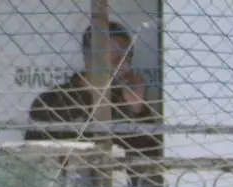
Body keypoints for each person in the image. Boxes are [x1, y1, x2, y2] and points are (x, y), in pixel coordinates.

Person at [25, 19, 161, 160]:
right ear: (90, 59)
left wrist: (138, 109)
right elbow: (34, 159)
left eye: (129, 58)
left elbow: (151, 158)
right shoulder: (51, 103)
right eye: (117, 60)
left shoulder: (127, 100)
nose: (125, 67)